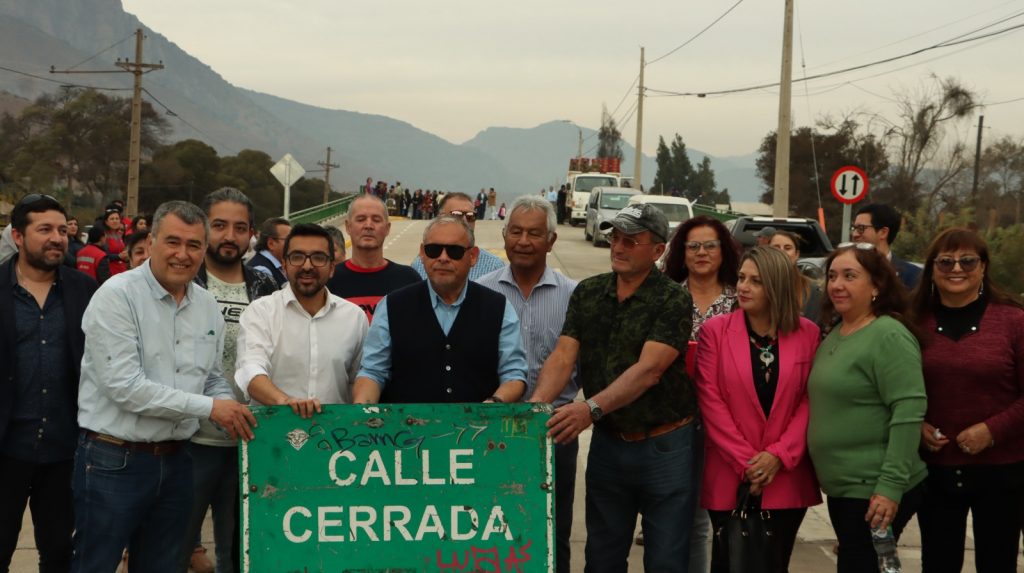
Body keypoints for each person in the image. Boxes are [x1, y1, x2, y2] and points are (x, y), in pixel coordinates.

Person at [71, 201, 257, 572]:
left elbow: (210, 375)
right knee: (95, 564)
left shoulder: (205, 304)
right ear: (151, 241)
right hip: (114, 459)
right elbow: (125, 387)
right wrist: (211, 409)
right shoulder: (117, 296)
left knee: (163, 565)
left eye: (193, 245)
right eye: (173, 242)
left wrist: (226, 404)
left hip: (176, 461)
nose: (182, 254)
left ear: (204, 250)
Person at [530, 203, 698, 572]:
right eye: (615, 239)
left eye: (631, 241)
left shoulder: (673, 299)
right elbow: (563, 355)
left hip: (664, 447)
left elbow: (650, 370)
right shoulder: (589, 293)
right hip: (609, 445)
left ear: (658, 250)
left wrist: (589, 408)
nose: (618, 248)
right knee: (602, 557)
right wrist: (535, 408)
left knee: (666, 559)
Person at [695, 247, 822, 573]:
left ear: (777, 286)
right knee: (730, 562)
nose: (743, 287)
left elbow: (810, 399)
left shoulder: (808, 333)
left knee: (773, 564)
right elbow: (710, 400)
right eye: (741, 278)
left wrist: (778, 455)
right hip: (730, 474)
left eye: (756, 281)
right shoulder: (716, 332)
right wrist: (747, 463)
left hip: (785, 475)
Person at [807, 243, 927, 573]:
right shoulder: (836, 333)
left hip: (874, 491)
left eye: (850, 276)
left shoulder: (888, 334)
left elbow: (908, 410)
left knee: (865, 565)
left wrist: (889, 488)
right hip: (846, 489)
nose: (837, 284)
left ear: (876, 286)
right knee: (877, 566)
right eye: (832, 276)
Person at [910, 228, 1024, 573]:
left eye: (967, 260)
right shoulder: (912, 324)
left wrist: (992, 430)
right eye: (945, 261)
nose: (955, 268)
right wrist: (916, 425)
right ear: (931, 268)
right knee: (938, 563)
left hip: (1002, 472)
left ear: (984, 267)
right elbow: (895, 390)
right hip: (936, 470)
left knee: (997, 562)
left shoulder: (1014, 321)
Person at [478, 196, 580, 573]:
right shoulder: (481, 293)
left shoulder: (573, 295)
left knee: (554, 531)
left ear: (551, 240)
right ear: (504, 236)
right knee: (491, 531)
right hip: (490, 432)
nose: (524, 241)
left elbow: (581, 365)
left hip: (555, 431)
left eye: (534, 233)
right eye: (516, 232)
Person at [179, 188, 279, 573]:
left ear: (252, 233)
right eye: (219, 225)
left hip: (249, 440)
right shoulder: (184, 280)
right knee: (176, 545)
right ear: (204, 228)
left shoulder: (266, 287)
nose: (229, 236)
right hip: (189, 439)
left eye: (240, 228)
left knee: (239, 553)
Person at [0, 194, 97, 573]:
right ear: (18, 236)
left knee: (58, 553)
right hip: (6, 448)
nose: (57, 238)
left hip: (65, 449)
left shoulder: (85, 291)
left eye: (61, 229)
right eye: (44, 230)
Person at [353, 215, 527, 404]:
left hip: (478, 430)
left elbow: (514, 373)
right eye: (433, 250)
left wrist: (493, 404)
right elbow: (372, 371)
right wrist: (362, 409)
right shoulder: (391, 306)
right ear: (422, 252)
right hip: (406, 430)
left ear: (473, 256)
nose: (443, 258)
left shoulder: (499, 308)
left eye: (454, 251)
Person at [662, 215, 741, 570]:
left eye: (710, 245)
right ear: (682, 252)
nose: (702, 252)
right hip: (677, 422)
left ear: (724, 251)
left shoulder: (742, 300)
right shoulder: (667, 298)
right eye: (693, 246)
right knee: (688, 520)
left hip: (731, 425)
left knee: (727, 519)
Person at [236, 224, 367, 412]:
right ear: (284, 265)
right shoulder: (260, 312)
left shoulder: (355, 318)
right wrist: (285, 402)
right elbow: (250, 369)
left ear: (331, 267)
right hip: (273, 435)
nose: (307, 266)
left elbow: (359, 381)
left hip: (335, 436)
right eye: (297, 257)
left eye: (318, 258)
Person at [327, 195, 420, 322]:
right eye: (360, 219)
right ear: (348, 227)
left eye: (376, 220)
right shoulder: (329, 279)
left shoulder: (408, 279)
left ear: (387, 228)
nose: (368, 225)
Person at [411, 192, 506, 281]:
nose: (464, 221)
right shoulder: (419, 267)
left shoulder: (494, 268)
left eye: (470, 216)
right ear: (440, 217)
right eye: (457, 215)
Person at [852, 203, 921, 289]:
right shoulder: (844, 269)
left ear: (883, 232)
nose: (854, 234)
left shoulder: (913, 276)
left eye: (861, 228)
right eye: (854, 228)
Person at [768, 230, 823, 323]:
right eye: (776, 247)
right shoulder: (758, 285)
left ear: (797, 254)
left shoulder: (812, 289)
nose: (782, 251)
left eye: (787, 248)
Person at [246, 216, 291, 289]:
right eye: (289, 239)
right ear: (271, 244)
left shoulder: (278, 265)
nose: (294, 244)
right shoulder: (261, 271)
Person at [99, 207, 128, 278]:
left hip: (121, 270)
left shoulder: (119, 235)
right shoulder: (103, 236)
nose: (115, 221)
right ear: (106, 222)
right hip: (110, 272)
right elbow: (102, 256)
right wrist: (118, 256)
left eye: (117, 219)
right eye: (112, 219)